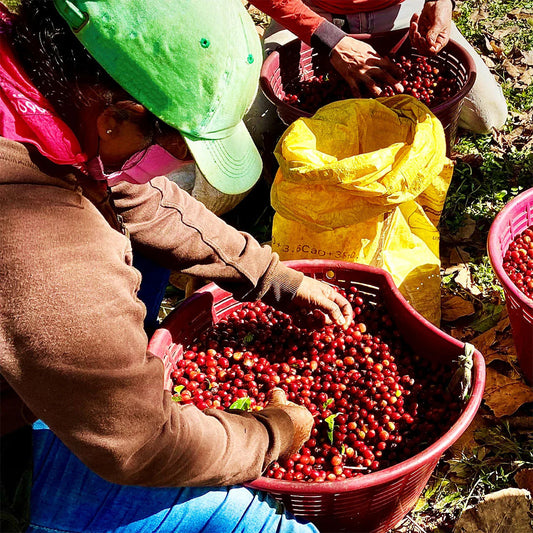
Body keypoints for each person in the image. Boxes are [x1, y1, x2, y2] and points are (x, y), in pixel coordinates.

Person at [0, 1, 354, 531]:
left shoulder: (34, 84)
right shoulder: (43, 246)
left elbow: (135, 197)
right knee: (254, 523)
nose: (184, 163)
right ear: (114, 118)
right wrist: (274, 431)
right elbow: (142, 444)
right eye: (179, 146)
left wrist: (267, 274)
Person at [245, 0, 507, 145]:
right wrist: (328, 38)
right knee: (257, 126)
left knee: (489, 117)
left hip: (402, 9)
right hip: (311, 9)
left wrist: (441, 2)